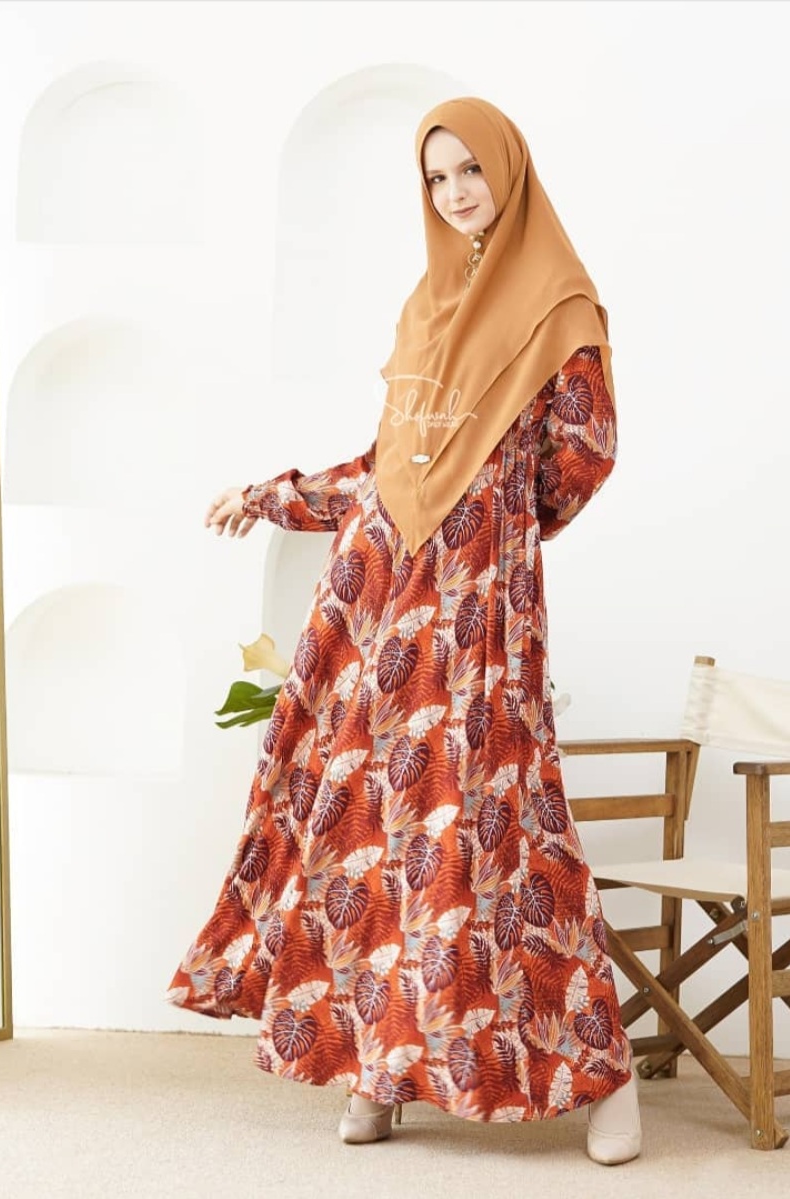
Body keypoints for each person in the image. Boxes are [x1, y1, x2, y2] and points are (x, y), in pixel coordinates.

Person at [168, 96, 640, 1166]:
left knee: (512, 838)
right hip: (380, 611)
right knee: (377, 839)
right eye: (436, 177)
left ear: (509, 170)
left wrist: (495, 533)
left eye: (472, 168)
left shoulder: (561, 306)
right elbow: (387, 472)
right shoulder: (425, 309)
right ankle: (379, 1065)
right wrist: (274, 495)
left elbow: (584, 455)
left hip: (482, 616)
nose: (456, 192)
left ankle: (604, 1080)